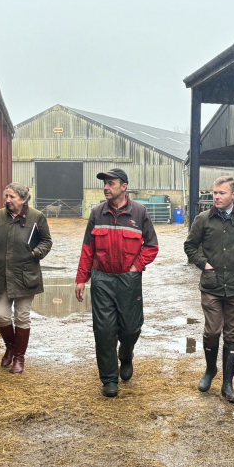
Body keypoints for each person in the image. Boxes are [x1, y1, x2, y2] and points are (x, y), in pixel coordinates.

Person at [75, 168, 158, 397]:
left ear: (124, 186)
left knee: (131, 328)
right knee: (103, 330)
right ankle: (109, 379)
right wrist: (82, 278)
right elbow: (87, 249)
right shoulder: (96, 213)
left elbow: (151, 246)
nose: (106, 187)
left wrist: (135, 267)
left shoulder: (139, 213)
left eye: (111, 183)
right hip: (102, 278)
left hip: (128, 279)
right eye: (104, 183)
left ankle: (126, 354)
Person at [183, 176, 234, 403]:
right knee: (211, 332)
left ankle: (228, 384)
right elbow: (190, 245)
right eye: (214, 193)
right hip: (212, 285)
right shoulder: (203, 220)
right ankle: (210, 370)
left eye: (221, 193)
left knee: (232, 335)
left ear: (233, 196)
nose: (216, 197)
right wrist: (204, 264)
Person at [0, 182, 52, 374]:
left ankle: (19, 358)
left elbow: (47, 241)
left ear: (23, 199)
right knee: (1, 315)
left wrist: (35, 253)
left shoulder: (37, 217)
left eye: (12, 197)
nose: (7, 200)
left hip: (25, 275)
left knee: (22, 317)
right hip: (2, 274)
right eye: (6, 196)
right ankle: (10, 346)